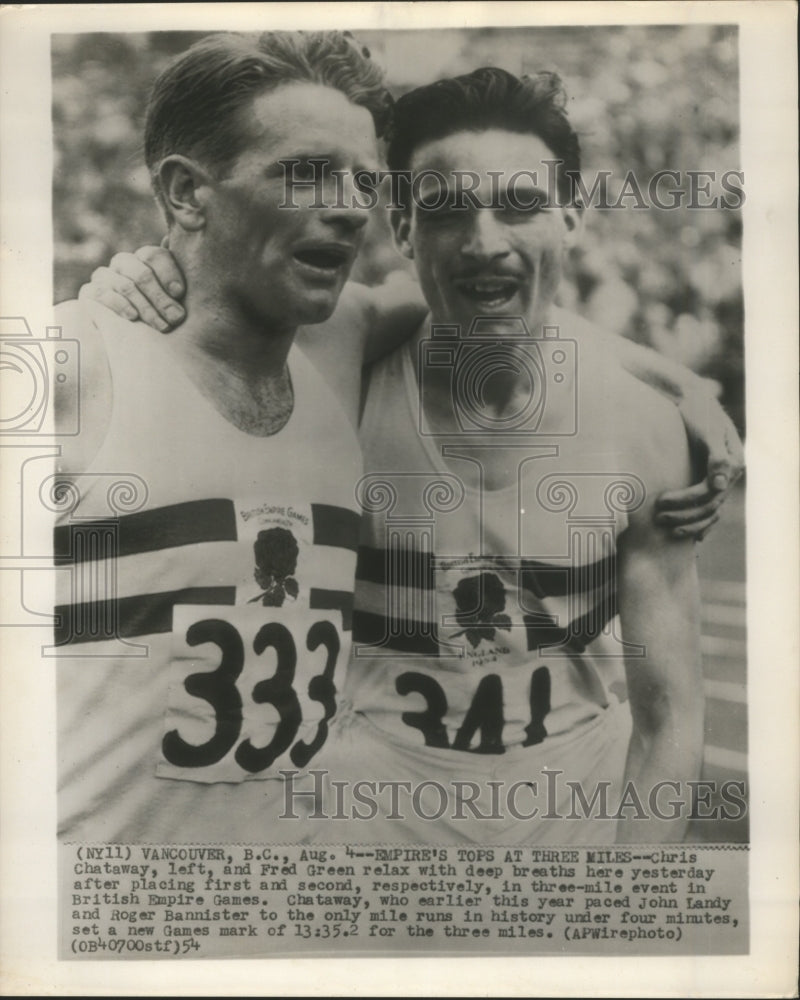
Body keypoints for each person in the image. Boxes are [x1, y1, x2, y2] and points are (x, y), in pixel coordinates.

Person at [74, 42, 743, 844]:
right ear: (404, 225)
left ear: (573, 215)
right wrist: (129, 286)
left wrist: (680, 384)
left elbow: (670, 713)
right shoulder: (333, 364)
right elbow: (255, 304)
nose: (485, 240)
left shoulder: (643, 429)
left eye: (521, 204)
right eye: (448, 209)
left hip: (573, 839)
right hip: (361, 857)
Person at [54, 30, 400, 843]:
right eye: (306, 172)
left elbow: (496, 302)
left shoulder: (338, 366)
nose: (351, 207)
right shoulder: (70, 364)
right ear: (185, 194)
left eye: (364, 181)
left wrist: (689, 391)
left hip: (289, 935)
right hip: (96, 941)